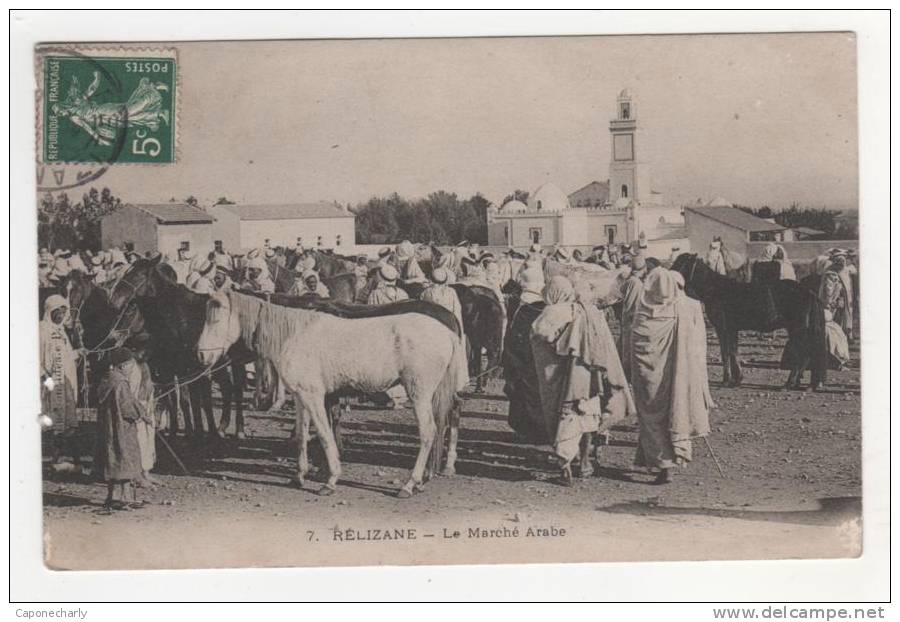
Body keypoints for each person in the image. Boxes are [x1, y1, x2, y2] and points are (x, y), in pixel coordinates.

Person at [530, 276, 634, 484]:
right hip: (588, 376)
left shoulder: (552, 312)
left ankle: (565, 467)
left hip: (560, 380)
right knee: (588, 415)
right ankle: (585, 462)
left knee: (563, 416)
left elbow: (539, 333)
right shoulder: (589, 312)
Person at [631, 269, 714, 484]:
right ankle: (669, 458)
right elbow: (697, 347)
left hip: (648, 380)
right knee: (676, 409)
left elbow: (633, 345)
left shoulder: (642, 313)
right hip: (678, 375)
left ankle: (662, 465)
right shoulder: (684, 309)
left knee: (651, 417)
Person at [97, 347, 144, 511]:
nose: (132, 367)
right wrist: (140, 413)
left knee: (112, 459)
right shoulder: (121, 383)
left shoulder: (107, 379)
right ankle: (124, 497)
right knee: (124, 457)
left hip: (107, 428)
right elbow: (127, 408)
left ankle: (111, 496)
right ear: (123, 365)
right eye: (131, 364)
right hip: (122, 428)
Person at [40, 295, 80, 434]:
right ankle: (54, 451)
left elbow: (66, 356)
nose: (61, 316)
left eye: (63, 312)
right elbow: (37, 356)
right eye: (58, 312)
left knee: (67, 423)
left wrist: (79, 352)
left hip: (65, 380)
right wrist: (43, 375)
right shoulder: (42, 329)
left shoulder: (62, 331)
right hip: (50, 379)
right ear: (50, 311)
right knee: (52, 419)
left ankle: (68, 451)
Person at [126, 334, 157, 485]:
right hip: (136, 409)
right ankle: (136, 475)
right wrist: (139, 410)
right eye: (143, 351)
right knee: (138, 441)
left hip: (147, 406)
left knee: (149, 440)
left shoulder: (144, 365)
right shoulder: (130, 366)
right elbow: (130, 393)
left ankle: (146, 471)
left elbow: (148, 385)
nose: (146, 354)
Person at [617, 254, 648, 381]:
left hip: (626, 319)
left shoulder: (629, 281)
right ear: (643, 268)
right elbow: (635, 306)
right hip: (632, 320)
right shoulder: (637, 284)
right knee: (630, 351)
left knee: (624, 348)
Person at [421, 267, 464, 332]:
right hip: (449, 325)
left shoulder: (425, 293)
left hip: (432, 326)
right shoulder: (451, 291)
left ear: (431, 278)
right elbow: (457, 311)